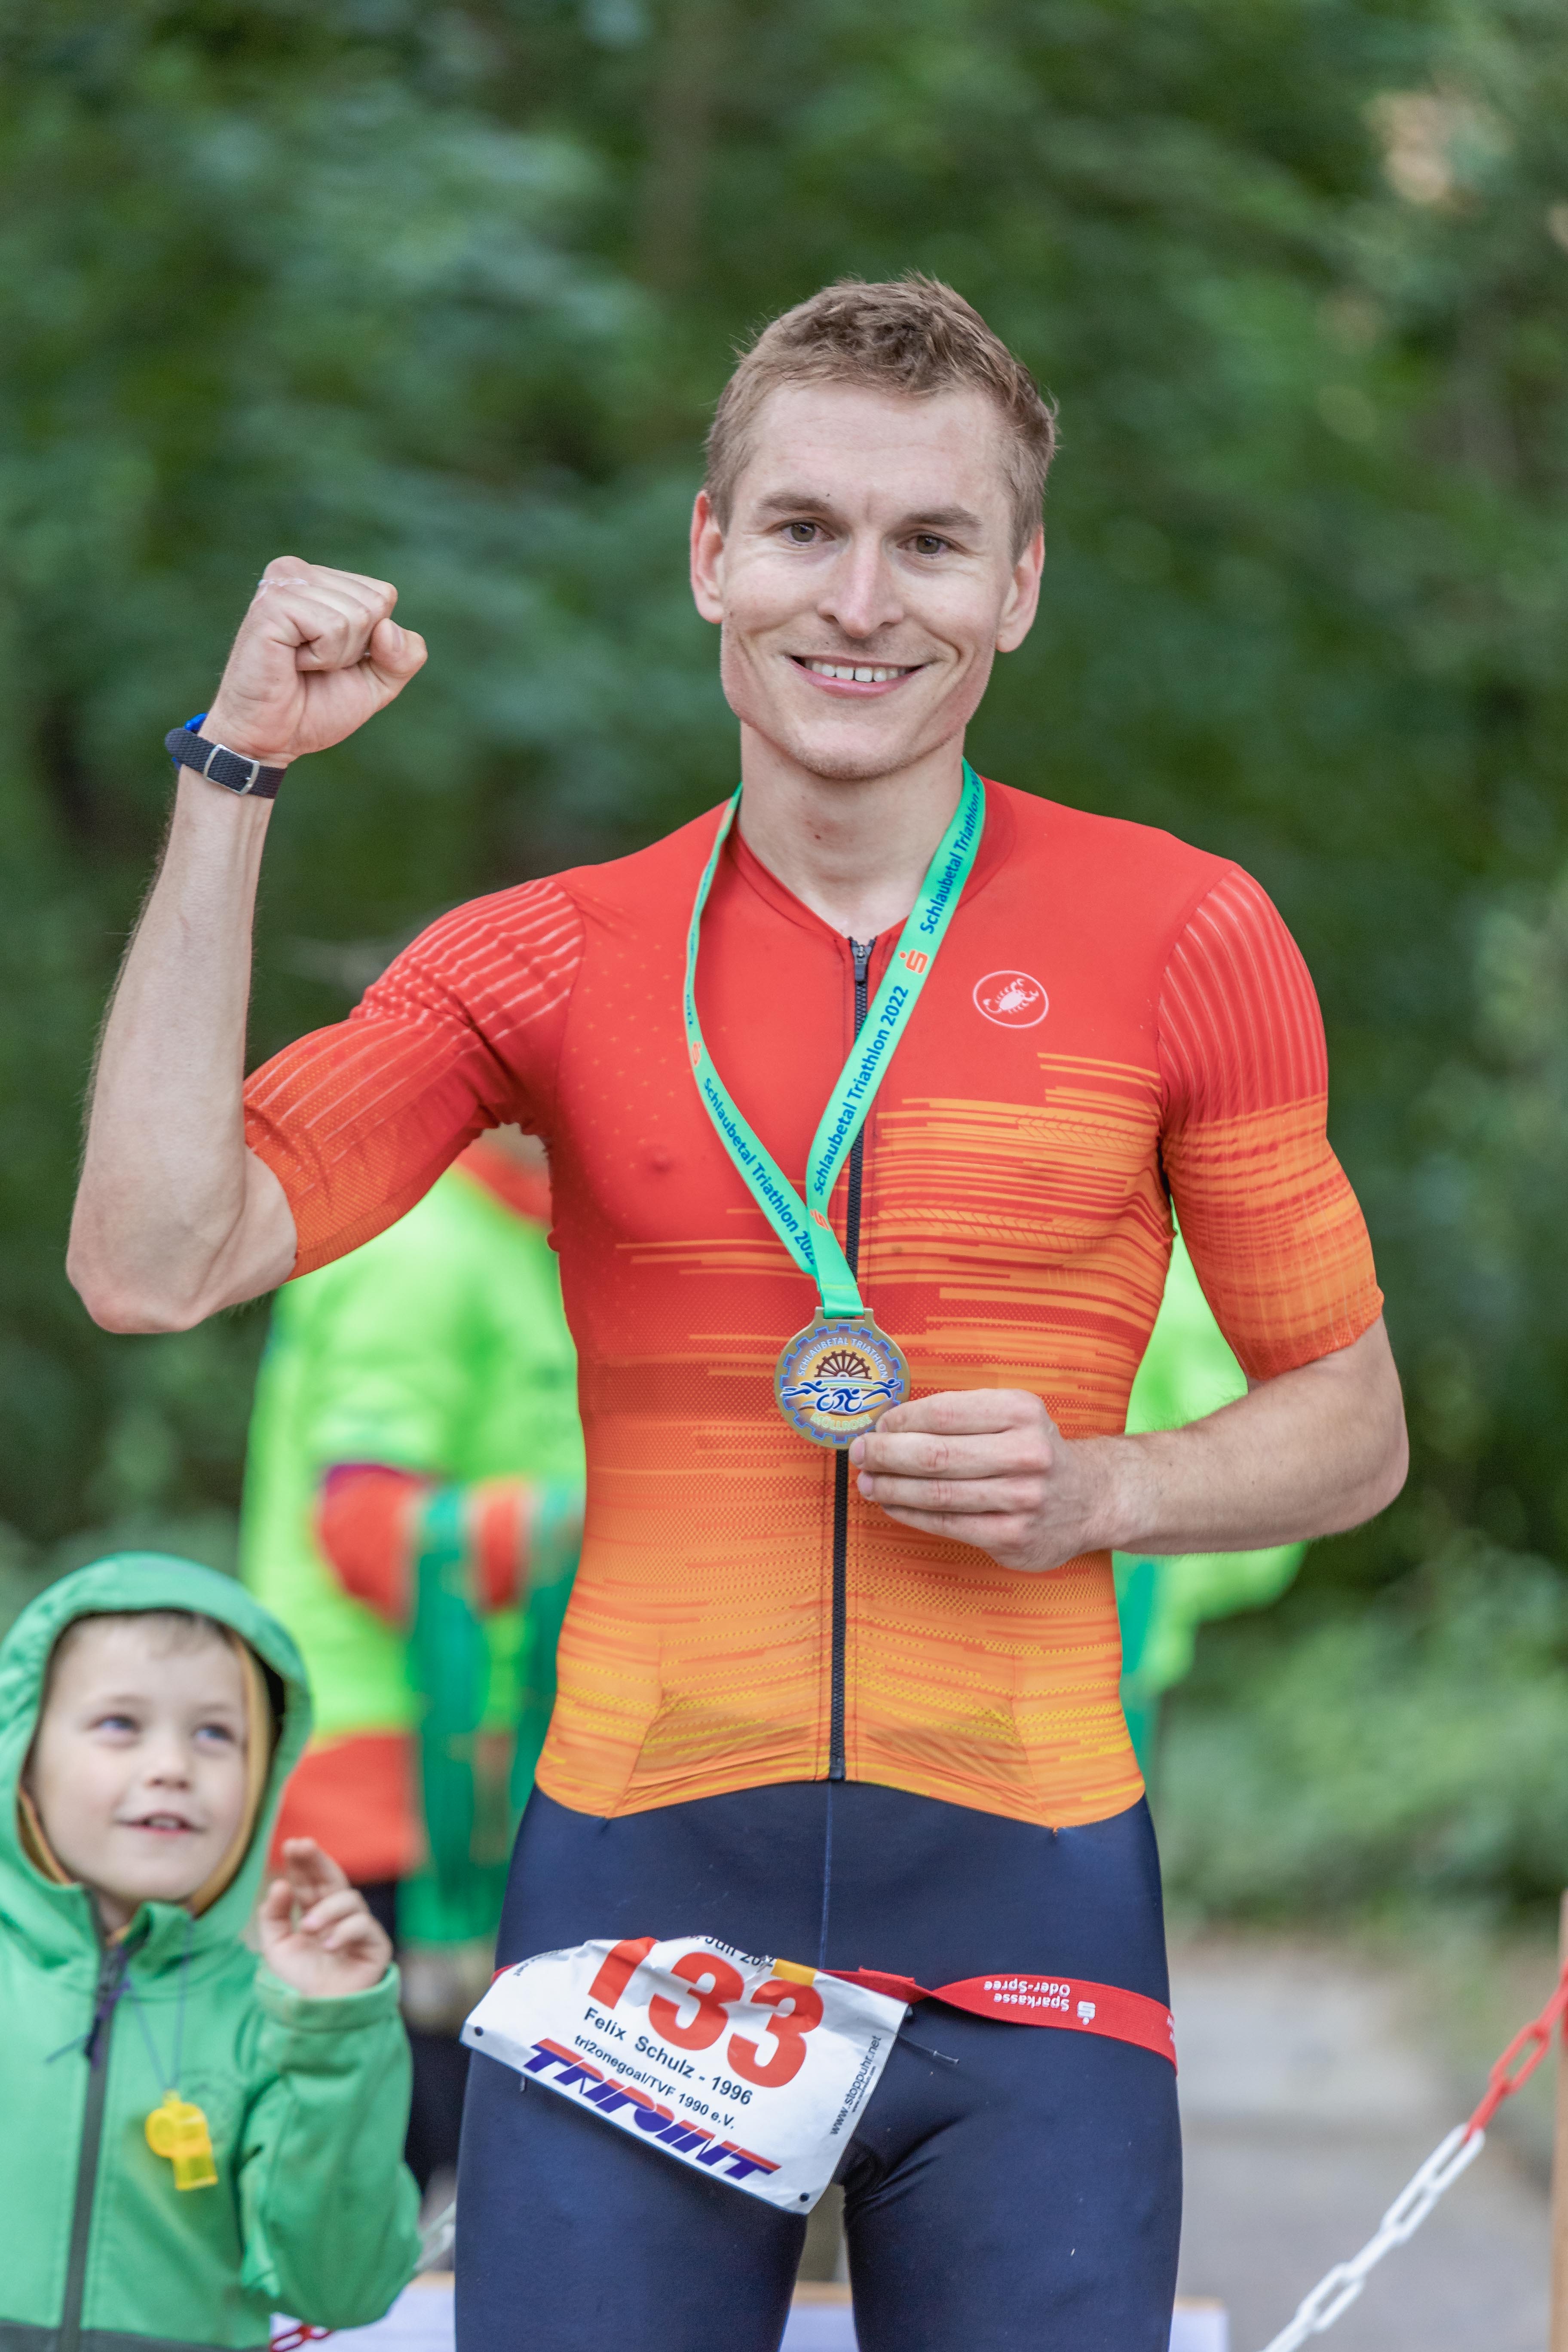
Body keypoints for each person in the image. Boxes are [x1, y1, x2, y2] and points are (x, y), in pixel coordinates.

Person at [66, 276, 1409, 2352]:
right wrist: (232, 771)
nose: (859, 599)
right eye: (803, 528)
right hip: (641, 1880)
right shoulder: (542, 959)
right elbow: (151, 1259)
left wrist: (1111, 1487)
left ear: (1018, 585)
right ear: (710, 551)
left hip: (1032, 1896)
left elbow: (1351, 1422)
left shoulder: (1184, 936)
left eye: (930, 539)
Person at [241, 1122, 584, 2196]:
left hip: (497, 1786)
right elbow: (371, 1529)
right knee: (402, 2208)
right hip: (386, 1796)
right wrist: (636, 1526)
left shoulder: (536, 1242)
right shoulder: (415, 1246)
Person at [0, 1553, 422, 2347]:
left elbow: (341, 2288)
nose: (171, 1768)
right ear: (22, 1758)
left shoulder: (285, 2019)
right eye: (120, 1724)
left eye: (216, 1734)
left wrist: (334, 2037)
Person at [1115, 1234, 1308, 1770]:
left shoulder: (1178, 1264)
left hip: (1125, 1587)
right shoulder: (1188, 1255)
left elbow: (1259, 1471)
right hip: (1132, 1586)